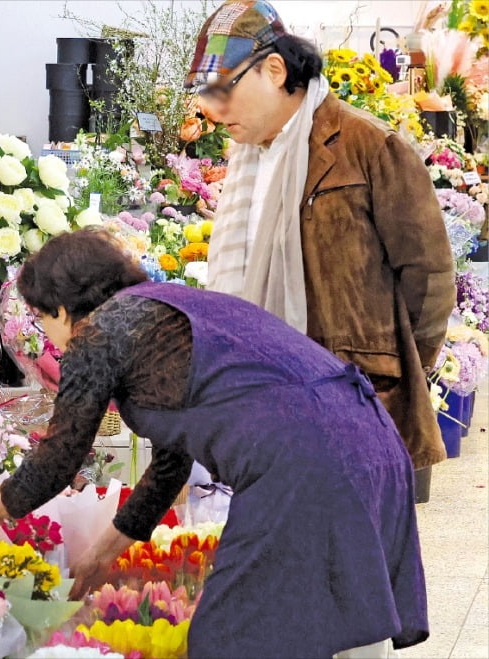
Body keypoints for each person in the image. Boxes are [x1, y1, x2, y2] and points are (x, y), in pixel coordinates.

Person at [0, 229, 428, 657]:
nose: (48, 334)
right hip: (371, 441)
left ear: (62, 309)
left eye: (44, 318)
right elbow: (171, 462)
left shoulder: (100, 332)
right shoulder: (171, 308)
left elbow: (61, 456)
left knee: (230, 638)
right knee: (316, 628)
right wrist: (101, 556)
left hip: (301, 464)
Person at [186, 0, 455, 476]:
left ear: (274, 69)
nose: (212, 108)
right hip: (262, 400)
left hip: (356, 399)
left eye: (224, 88)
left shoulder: (368, 146)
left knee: (357, 546)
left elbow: (428, 276)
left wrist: (393, 369)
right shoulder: (247, 162)